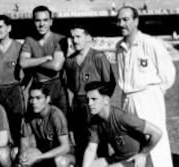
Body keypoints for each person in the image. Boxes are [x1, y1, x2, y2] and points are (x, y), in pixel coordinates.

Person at [116, 6, 176, 167]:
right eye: (119, 20)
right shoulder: (119, 47)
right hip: (128, 98)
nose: (121, 24)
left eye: (125, 19)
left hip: (148, 98)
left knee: (155, 142)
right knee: (134, 143)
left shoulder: (150, 43)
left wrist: (154, 93)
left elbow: (168, 74)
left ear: (136, 21)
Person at [64, 24, 116, 164]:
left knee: (100, 146)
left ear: (88, 38)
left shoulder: (98, 56)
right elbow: (70, 86)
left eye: (78, 36)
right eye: (72, 37)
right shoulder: (69, 61)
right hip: (78, 108)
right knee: (80, 146)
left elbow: (109, 83)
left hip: (95, 107)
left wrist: (101, 105)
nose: (74, 40)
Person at [83, 81, 162, 167]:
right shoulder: (95, 121)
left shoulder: (123, 117)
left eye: (94, 99)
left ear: (106, 101)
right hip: (119, 158)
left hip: (135, 161)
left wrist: (143, 154)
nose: (89, 104)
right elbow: (91, 149)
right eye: (88, 100)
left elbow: (157, 133)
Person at [19, 5, 69, 115]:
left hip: (56, 86)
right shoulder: (29, 40)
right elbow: (23, 63)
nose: (42, 24)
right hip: (37, 86)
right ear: (33, 22)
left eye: (45, 20)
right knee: (36, 123)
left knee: (61, 123)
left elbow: (56, 66)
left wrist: (32, 63)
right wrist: (45, 58)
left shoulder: (60, 39)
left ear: (51, 22)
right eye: (38, 20)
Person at [0, 14, 25, 145]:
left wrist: (22, 87)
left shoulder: (19, 47)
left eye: (0, 27)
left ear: (9, 28)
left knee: (16, 128)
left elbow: (28, 71)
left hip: (13, 90)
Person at [16, 82, 75, 167]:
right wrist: (22, 154)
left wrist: (39, 157)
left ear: (47, 99)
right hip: (45, 152)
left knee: (60, 161)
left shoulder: (56, 115)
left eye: (38, 98)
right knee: (18, 155)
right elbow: (24, 142)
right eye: (31, 98)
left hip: (63, 154)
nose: (34, 102)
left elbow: (65, 147)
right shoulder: (30, 115)